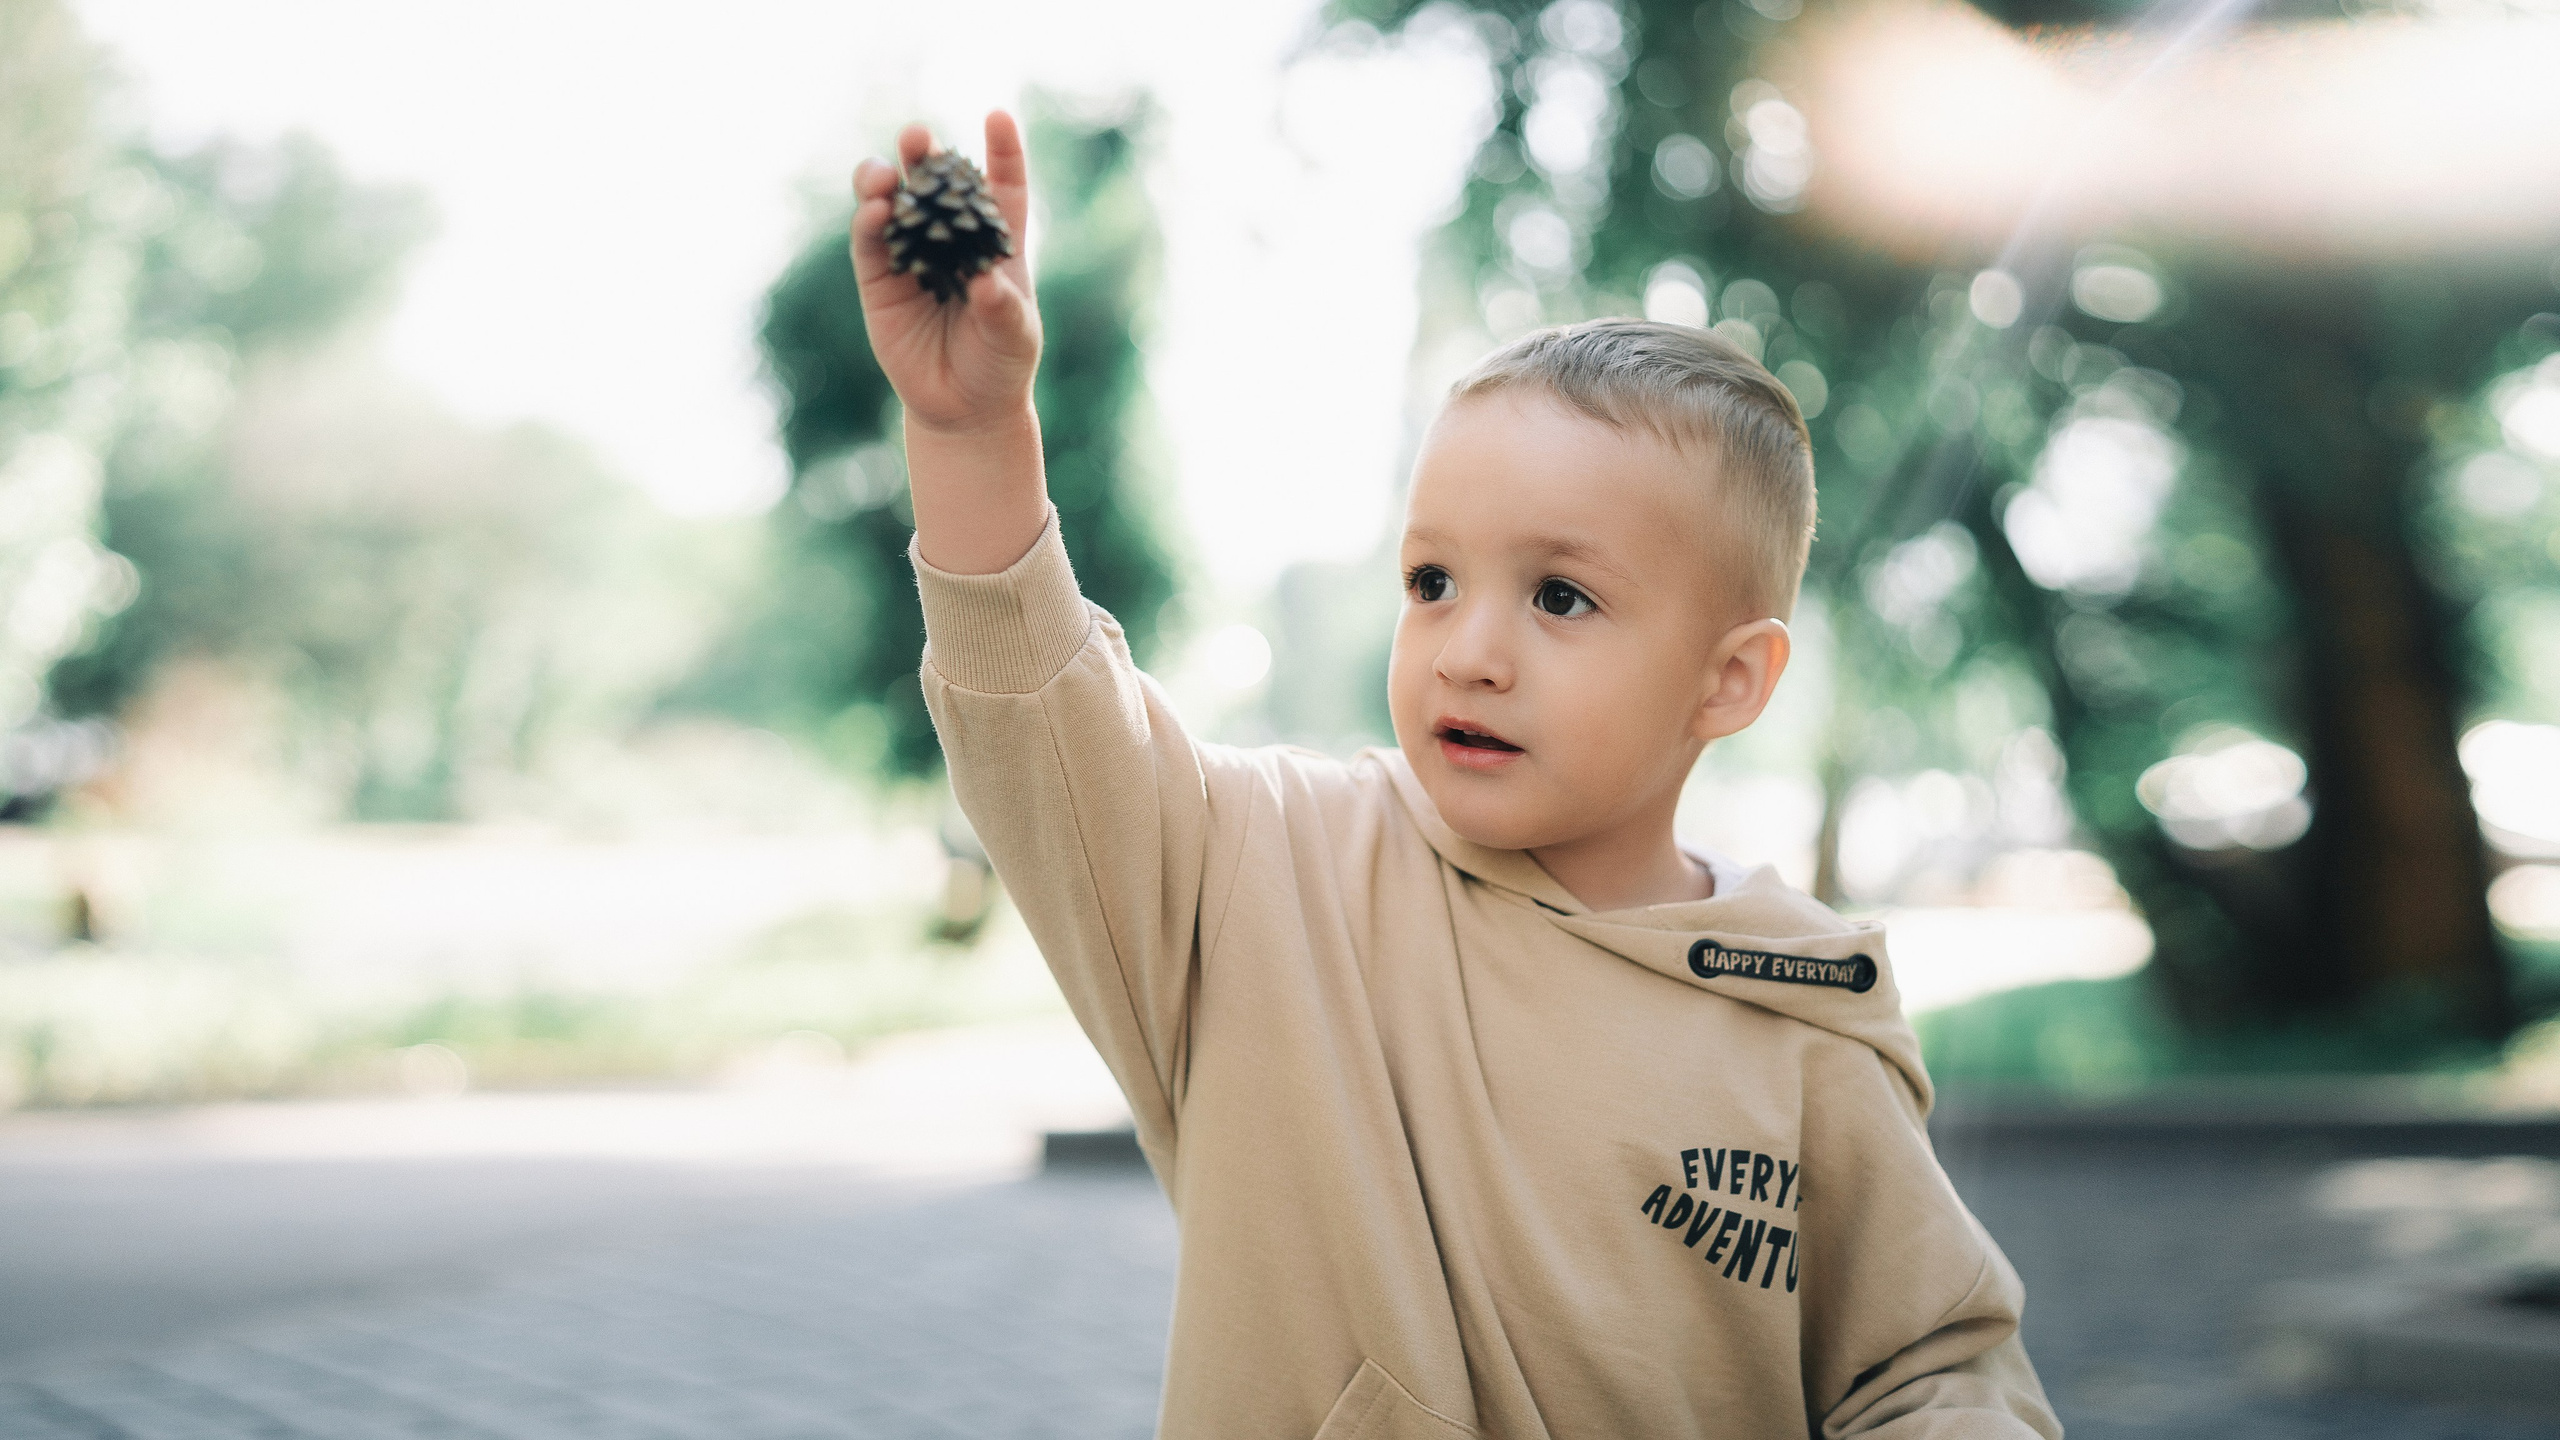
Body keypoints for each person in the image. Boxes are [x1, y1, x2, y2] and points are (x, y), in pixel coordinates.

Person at [850, 110, 2060, 1440]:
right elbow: (1045, 728)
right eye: (1432, 581)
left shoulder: (1807, 1019)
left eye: (1561, 596)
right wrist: (972, 437)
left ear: (1730, 681)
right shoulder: (1266, 875)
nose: (1469, 652)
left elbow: (1928, 1367)